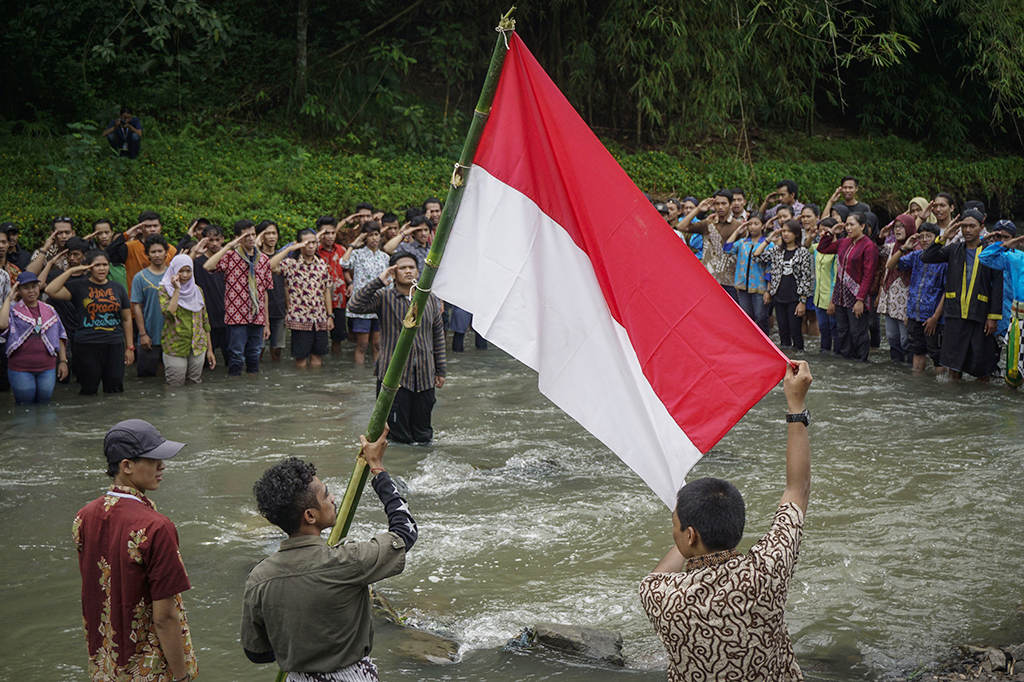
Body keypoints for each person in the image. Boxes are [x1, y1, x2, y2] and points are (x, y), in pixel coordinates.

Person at [640, 360, 812, 682]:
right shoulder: (767, 570)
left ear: (689, 535)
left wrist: (689, 523)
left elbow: (663, 570)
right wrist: (796, 404)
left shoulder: (660, 596)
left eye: (675, 524)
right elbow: (796, 489)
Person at [241, 426, 417, 680]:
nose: (333, 497)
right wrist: (377, 467)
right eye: (325, 495)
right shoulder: (348, 561)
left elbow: (255, 652)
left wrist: (298, 649)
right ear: (310, 516)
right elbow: (405, 532)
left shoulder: (258, 577)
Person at [73, 419, 197, 682]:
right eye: (153, 459)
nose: (162, 466)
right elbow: (165, 618)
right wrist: (182, 676)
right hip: (149, 669)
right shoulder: (156, 526)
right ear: (126, 466)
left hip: (104, 667)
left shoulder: (83, 517)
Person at [348, 253, 446, 444]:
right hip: (393, 379)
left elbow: (438, 336)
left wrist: (441, 370)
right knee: (395, 436)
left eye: (412, 267)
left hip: (425, 376)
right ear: (393, 272)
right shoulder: (383, 297)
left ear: (419, 271)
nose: (408, 271)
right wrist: (378, 281)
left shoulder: (430, 299)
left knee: (424, 435)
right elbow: (354, 305)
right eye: (402, 268)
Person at [921, 209, 1002, 381]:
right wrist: (942, 238)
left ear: (981, 228)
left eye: (972, 226)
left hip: (980, 314)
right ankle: (954, 402)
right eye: (964, 226)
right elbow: (927, 257)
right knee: (953, 364)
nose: (967, 230)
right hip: (955, 313)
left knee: (982, 366)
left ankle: (979, 403)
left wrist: (993, 317)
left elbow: (997, 286)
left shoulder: (990, 252)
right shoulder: (954, 249)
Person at [45, 250, 134, 394]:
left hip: (114, 343)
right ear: (89, 267)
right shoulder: (79, 286)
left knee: (115, 389)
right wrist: (72, 270)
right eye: (97, 265)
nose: (101, 268)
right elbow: (50, 290)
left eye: (105, 265)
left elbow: (126, 318)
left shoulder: (118, 288)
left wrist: (130, 347)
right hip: (87, 344)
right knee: (89, 389)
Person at [201, 220, 274, 376]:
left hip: (258, 316)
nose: (250, 238)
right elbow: (208, 266)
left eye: (253, 234)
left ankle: (252, 389)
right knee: (237, 355)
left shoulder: (264, 260)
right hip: (237, 316)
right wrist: (228, 246)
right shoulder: (230, 256)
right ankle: (236, 390)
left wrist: (266, 322)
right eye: (246, 235)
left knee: (254, 355)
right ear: (238, 237)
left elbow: (264, 292)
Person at [817, 213, 879, 361]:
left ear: (862, 226)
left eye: (852, 225)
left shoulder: (869, 246)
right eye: (847, 225)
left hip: (857, 297)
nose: (848, 228)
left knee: (858, 332)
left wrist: (860, 299)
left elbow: (868, 275)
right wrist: (831, 232)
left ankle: (861, 362)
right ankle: (847, 363)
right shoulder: (843, 242)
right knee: (843, 331)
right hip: (840, 296)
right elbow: (822, 248)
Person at [269, 229, 334, 368]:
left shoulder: (321, 264)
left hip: (320, 318)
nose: (311, 246)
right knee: (301, 359)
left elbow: (326, 290)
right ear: (299, 244)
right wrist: (289, 249)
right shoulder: (291, 264)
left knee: (317, 358)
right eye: (307, 243)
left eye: (314, 243)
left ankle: (314, 387)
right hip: (300, 318)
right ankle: (301, 388)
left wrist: (330, 315)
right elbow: (269, 266)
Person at [1, 272, 69, 403]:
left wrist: (63, 361)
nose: (31, 291)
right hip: (20, 368)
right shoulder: (12, 310)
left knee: (45, 405)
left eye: (34, 286)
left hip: (47, 368)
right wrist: (9, 298)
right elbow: (2, 324)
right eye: (26, 288)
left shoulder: (49, 310)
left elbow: (59, 335)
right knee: (24, 406)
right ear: (19, 290)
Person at [891, 223, 946, 372]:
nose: (925, 239)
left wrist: (936, 317)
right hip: (915, 314)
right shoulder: (916, 256)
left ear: (937, 238)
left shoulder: (944, 258)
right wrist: (904, 248)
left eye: (929, 236)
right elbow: (891, 265)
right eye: (921, 236)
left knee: (937, 354)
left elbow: (947, 291)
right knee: (918, 350)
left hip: (934, 317)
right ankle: (917, 385)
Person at [755, 220, 813, 350]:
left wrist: (803, 301)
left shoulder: (802, 252)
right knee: (783, 331)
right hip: (779, 296)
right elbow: (756, 256)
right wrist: (768, 240)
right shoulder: (777, 250)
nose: (786, 234)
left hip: (795, 298)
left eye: (789, 231)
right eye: (784, 231)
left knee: (795, 331)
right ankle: (787, 359)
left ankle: (799, 358)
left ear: (797, 234)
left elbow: (806, 277)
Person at [160, 255, 215, 385]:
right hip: (175, 345)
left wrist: (210, 350)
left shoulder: (197, 291)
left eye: (188, 271)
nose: (185, 275)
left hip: (198, 345)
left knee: (195, 383)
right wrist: (177, 290)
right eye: (181, 271)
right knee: (175, 385)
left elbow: (205, 321)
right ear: (174, 271)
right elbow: (168, 313)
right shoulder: (164, 289)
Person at [980, 225, 1024, 387]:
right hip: (1016, 319)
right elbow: (984, 258)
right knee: (1013, 371)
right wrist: (1004, 245)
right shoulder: (1016, 259)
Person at [342, 221, 390, 365]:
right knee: (362, 345)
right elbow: (343, 264)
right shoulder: (357, 254)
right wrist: (353, 244)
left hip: (379, 305)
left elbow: (389, 281)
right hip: (362, 305)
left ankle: (378, 374)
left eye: (376, 235)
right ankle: (359, 377)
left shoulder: (385, 257)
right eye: (370, 235)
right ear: (364, 238)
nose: (374, 238)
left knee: (377, 344)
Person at [679, 190, 739, 301]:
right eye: (717, 203)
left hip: (729, 281)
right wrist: (698, 209)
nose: (720, 207)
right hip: (708, 279)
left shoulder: (738, 226)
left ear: (730, 205)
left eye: (724, 203)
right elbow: (681, 226)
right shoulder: (707, 224)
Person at [876, 215, 916, 363]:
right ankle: (896, 366)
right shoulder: (893, 246)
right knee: (892, 337)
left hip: (906, 299)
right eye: (896, 227)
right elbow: (879, 250)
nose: (898, 230)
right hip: (889, 298)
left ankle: (911, 366)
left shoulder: (917, 248)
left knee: (906, 339)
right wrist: (881, 236)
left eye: (901, 226)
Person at [107, 210, 178, 292]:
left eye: (155, 226)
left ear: (160, 227)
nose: (152, 229)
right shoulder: (130, 247)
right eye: (148, 226)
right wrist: (126, 235)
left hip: (164, 301)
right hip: (136, 299)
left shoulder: (171, 250)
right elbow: (107, 255)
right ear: (140, 228)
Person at [724, 213, 770, 334]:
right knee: (747, 317)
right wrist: (737, 231)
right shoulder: (743, 242)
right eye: (750, 224)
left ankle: (765, 344)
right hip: (743, 286)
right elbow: (727, 249)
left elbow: (770, 268)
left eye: (756, 224)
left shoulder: (768, 244)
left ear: (763, 226)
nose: (753, 227)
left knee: (761, 317)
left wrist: (768, 290)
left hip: (760, 286)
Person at [131, 235, 170, 378]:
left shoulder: (174, 275)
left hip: (173, 335)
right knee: (146, 380)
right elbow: (137, 306)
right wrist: (142, 334)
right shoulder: (140, 277)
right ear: (147, 254)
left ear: (166, 252)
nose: (157, 255)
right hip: (149, 336)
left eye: (160, 251)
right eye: (153, 252)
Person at [192, 224, 229, 366]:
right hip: (206, 318)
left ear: (223, 240)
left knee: (232, 360)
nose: (214, 243)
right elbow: (182, 269)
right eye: (211, 240)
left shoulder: (229, 260)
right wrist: (195, 251)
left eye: (217, 240)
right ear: (204, 241)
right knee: (206, 363)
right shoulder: (197, 263)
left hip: (227, 318)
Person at [314, 216, 349, 354]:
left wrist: (350, 283)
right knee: (318, 338)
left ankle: (335, 366)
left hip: (339, 299)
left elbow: (347, 270)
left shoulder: (342, 250)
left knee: (338, 338)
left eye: (332, 233)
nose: (330, 236)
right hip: (318, 300)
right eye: (325, 233)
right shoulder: (313, 250)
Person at [257, 221, 287, 362]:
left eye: (274, 233)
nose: (271, 236)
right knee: (258, 349)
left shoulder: (284, 257)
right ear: (260, 237)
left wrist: (289, 308)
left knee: (277, 350)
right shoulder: (256, 256)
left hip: (279, 306)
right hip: (259, 309)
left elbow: (287, 285)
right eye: (267, 233)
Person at [809, 218, 839, 353]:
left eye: (825, 230)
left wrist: (832, 301)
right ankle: (825, 356)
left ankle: (838, 356)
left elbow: (836, 279)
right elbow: (807, 247)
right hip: (818, 296)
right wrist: (810, 236)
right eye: (820, 230)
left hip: (831, 297)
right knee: (823, 329)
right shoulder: (817, 248)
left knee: (835, 329)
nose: (822, 233)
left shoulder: (838, 250)